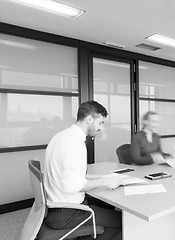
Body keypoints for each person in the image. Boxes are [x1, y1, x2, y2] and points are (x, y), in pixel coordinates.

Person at [42, 100, 123, 240]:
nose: (101, 128)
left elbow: (66, 175)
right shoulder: (75, 143)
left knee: (105, 206)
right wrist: (105, 182)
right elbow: (73, 185)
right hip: (67, 213)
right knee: (122, 220)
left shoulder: (61, 136)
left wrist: (98, 179)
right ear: (89, 119)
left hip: (54, 207)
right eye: (100, 123)